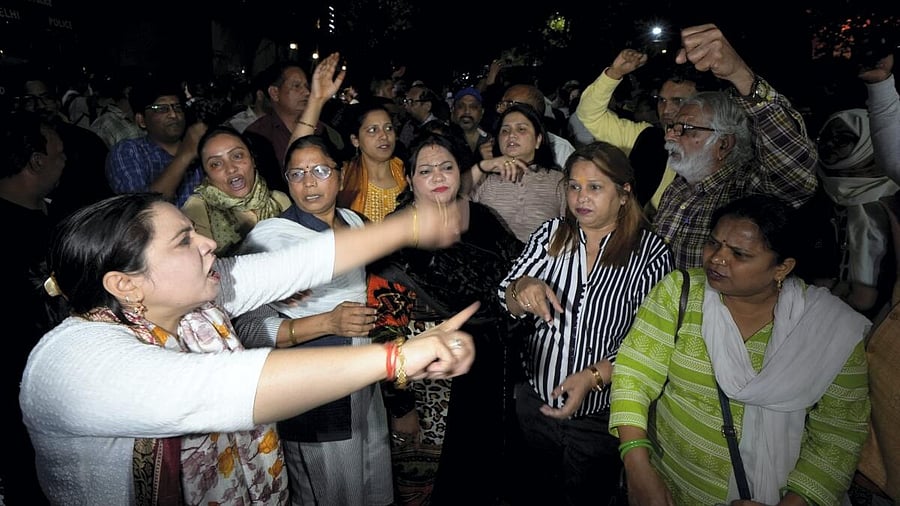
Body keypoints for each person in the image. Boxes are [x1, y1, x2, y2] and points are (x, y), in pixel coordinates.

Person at [19, 191, 476, 506]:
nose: (209, 243)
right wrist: (396, 358)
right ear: (125, 285)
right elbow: (220, 388)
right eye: (184, 241)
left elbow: (297, 263)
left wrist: (410, 225)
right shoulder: (71, 363)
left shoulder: (194, 303)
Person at [610, 194, 871, 506]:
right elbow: (634, 375)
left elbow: (839, 434)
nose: (717, 259)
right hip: (666, 485)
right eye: (713, 243)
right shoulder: (680, 292)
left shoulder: (829, 331)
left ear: (782, 268)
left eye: (739, 253)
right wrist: (637, 463)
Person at [497, 141, 673, 506]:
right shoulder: (552, 234)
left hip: (600, 413)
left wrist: (594, 376)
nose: (581, 197)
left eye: (595, 187)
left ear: (623, 194)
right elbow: (504, 295)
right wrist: (521, 289)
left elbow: (650, 342)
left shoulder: (651, 253)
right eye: (575, 186)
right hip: (536, 399)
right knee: (535, 492)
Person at [234, 134, 393, 506]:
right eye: (297, 173)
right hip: (314, 383)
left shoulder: (353, 222)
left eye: (320, 170)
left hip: (363, 377)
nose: (308, 183)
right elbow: (249, 328)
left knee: (370, 478)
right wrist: (327, 323)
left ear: (340, 174)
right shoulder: (271, 239)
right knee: (331, 491)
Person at [368, 132, 524, 506]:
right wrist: (401, 407)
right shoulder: (397, 237)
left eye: (447, 167)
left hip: (490, 365)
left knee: (483, 474)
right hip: (432, 381)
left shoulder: (481, 218)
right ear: (410, 179)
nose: (438, 176)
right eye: (426, 170)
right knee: (434, 484)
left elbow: (519, 269)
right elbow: (385, 332)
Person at [653, 24, 819, 269]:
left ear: (723, 144)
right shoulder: (677, 189)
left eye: (686, 128)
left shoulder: (748, 191)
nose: (671, 136)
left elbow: (792, 170)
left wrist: (740, 75)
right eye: (672, 127)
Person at [0, 110, 67, 506]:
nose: (65, 160)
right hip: (23, 384)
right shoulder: (10, 234)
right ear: (37, 162)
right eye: (59, 154)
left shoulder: (48, 213)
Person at [576, 47, 722, 210]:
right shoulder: (645, 137)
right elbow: (589, 114)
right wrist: (614, 73)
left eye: (678, 101)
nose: (666, 110)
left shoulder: (719, 150)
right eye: (662, 100)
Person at [181, 125, 291, 256]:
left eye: (237, 156)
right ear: (207, 176)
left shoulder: (278, 200)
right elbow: (201, 261)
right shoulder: (197, 207)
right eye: (216, 164)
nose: (231, 168)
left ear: (253, 160)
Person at [469, 103, 566, 242]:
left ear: (538, 140)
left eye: (521, 129)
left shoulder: (558, 181)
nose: (511, 135)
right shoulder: (484, 180)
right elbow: (450, 201)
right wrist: (482, 166)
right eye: (505, 131)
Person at [105, 75, 206, 206]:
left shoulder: (203, 147)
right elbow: (142, 210)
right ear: (141, 120)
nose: (173, 115)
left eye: (177, 107)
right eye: (162, 109)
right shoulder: (129, 151)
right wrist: (185, 156)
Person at [336, 101, 407, 222]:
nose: (384, 136)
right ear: (355, 140)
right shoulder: (343, 177)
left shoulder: (408, 173)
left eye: (388, 128)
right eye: (373, 130)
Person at [495, 83, 576, 169]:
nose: (499, 110)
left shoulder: (561, 149)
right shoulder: (492, 144)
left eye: (508, 104)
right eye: (501, 104)